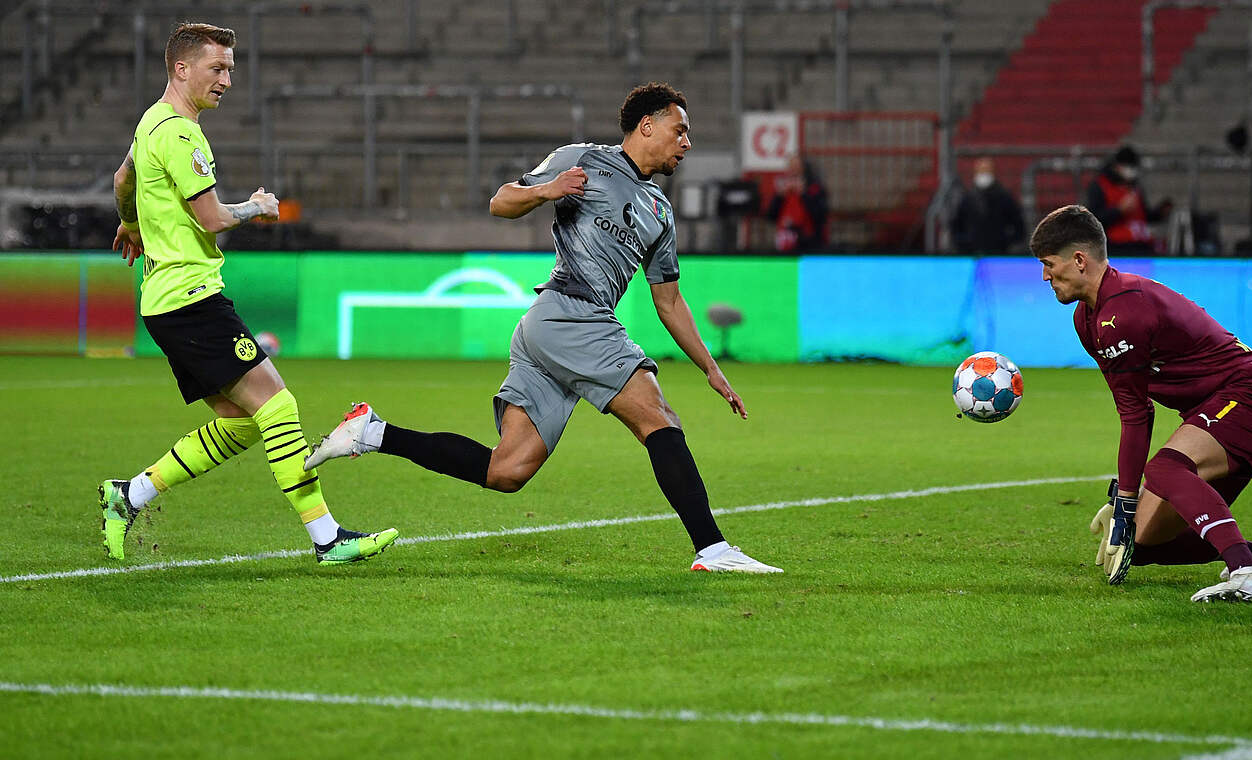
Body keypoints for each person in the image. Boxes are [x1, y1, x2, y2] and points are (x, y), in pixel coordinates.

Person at [305, 82, 780, 574]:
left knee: (506, 470)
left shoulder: (659, 212)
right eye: (680, 131)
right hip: (571, 314)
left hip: (548, 330)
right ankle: (713, 548)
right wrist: (547, 190)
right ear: (647, 125)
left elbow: (670, 301)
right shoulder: (584, 160)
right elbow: (501, 202)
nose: (687, 143)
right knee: (657, 416)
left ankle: (373, 432)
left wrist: (710, 367)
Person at [101, 22, 398, 565]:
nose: (227, 80)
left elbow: (123, 181)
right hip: (191, 299)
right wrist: (257, 207)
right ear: (181, 67)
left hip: (165, 302)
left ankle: (129, 495)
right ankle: (328, 538)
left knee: (243, 421)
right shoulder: (182, 134)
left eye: (231, 69)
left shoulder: (151, 122)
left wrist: (132, 224)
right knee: (278, 404)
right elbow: (212, 218)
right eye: (217, 68)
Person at [1030, 205, 1252, 603]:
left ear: (1080, 260)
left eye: (1049, 264)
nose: (1045, 276)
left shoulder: (1125, 309)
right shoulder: (1087, 321)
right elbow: (1131, 407)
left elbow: (1138, 416)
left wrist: (1125, 499)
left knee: (1167, 469)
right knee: (1143, 543)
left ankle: (1248, 575)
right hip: (1219, 410)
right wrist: (1127, 509)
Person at [1084, 145, 1172, 256]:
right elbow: (1094, 220)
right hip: (1117, 246)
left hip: (1141, 244)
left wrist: (1159, 213)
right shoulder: (1100, 186)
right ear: (1116, 166)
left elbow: (1143, 215)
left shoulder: (1135, 188)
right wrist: (1119, 210)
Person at [951, 157, 1024, 255]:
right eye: (981, 171)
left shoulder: (1004, 197)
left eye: (987, 171)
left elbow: (1018, 223)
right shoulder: (967, 198)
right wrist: (964, 243)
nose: (984, 175)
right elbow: (957, 225)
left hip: (999, 251)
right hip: (972, 251)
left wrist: (1007, 242)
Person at [765, 155, 828, 253]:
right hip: (785, 241)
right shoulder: (781, 190)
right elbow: (770, 216)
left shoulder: (814, 188)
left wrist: (803, 194)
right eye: (790, 167)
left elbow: (820, 216)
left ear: (803, 169)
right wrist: (779, 197)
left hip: (809, 243)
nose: (793, 170)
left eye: (796, 167)